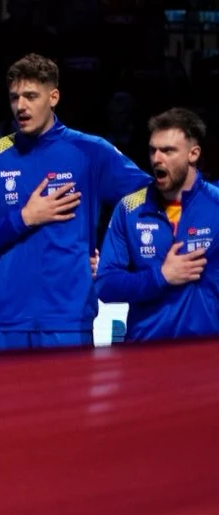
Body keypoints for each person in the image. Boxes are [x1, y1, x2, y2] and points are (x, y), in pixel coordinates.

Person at [0, 54, 150, 350]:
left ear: (53, 97)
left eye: (31, 96)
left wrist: (115, 258)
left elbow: (153, 199)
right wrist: (24, 218)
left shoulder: (89, 151)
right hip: (6, 322)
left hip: (68, 321)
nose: (21, 106)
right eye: (14, 97)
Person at [96, 108, 217, 341]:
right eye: (153, 150)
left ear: (193, 154)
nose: (156, 159)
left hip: (206, 356)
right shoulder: (129, 209)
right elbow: (106, 285)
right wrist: (161, 277)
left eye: (168, 151)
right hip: (146, 356)